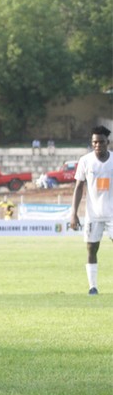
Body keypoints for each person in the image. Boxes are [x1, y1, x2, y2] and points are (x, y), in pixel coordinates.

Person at [70, 126, 113, 296]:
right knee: (91, 249)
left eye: (101, 142)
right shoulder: (85, 161)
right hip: (93, 214)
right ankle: (92, 287)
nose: (97, 145)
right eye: (94, 142)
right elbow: (79, 187)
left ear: (107, 142)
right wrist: (73, 212)